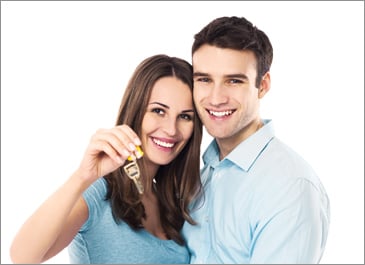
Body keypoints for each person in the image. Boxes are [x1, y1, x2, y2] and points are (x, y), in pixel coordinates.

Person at [10, 54, 203, 264]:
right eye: (158, 111)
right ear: (136, 111)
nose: (171, 129)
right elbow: (23, 257)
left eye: (185, 116)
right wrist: (82, 176)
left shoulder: (170, 202)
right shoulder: (99, 192)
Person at [182, 16, 330, 264]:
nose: (216, 98)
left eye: (234, 81)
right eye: (205, 79)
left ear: (262, 85)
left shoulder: (289, 187)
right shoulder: (205, 175)